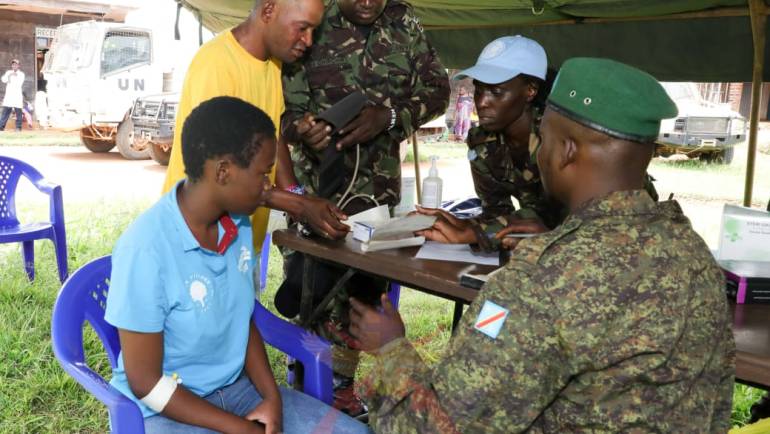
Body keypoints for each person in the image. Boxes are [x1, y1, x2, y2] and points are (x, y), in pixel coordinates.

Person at [349, 58, 735, 433]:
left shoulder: (540, 281)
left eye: (544, 139)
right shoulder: (696, 256)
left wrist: (390, 348)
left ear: (566, 150)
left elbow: (436, 427)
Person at [105, 96, 371, 434]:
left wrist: (272, 398)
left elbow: (242, 320)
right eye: (262, 174)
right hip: (165, 409)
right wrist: (237, 428)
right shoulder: (145, 248)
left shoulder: (237, 226)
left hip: (237, 390)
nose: (268, 188)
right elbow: (145, 382)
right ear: (223, 172)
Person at [278, 0, 449, 415]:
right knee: (312, 292)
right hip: (318, 193)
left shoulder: (404, 20)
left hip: (377, 197)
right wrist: (301, 130)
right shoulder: (312, 22)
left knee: (364, 294)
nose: (369, 3)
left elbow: (437, 91)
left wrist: (389, 117)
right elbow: (275, 109)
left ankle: (343, 390)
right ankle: (305, 384)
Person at [417, 36, 658, 252]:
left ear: (530, 91)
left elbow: (586, 215)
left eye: (496, 92)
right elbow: (497, 212)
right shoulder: (483, 142)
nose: (482, 102)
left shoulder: (561, 138)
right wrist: (470, 227)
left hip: (621, 239)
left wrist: (479, 231)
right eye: (478, 91)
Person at [161, 0, 350, 250]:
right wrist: (299, 206)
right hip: (193, 241)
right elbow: (220, 174)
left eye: (313, 31)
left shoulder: (272, 63)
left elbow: (274, 135)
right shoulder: (217, 65)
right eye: (302, 28)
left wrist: (298, 196)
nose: (309, 41)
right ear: (269, 11)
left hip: (237, 241)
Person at [0, 59, 25, 132]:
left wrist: (12, 77)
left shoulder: (21, 74)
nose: (14, 66)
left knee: (18, 112)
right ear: (12, 65)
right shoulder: (8, 72)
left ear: (19, 66)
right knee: (5, 112)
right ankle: (1, 126)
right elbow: (3, 80)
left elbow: (19, 83)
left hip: (17, 96)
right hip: (9, 96)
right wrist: (9, 76)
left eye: (16, 64)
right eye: (13, 64)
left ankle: (18, 127)